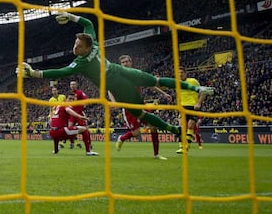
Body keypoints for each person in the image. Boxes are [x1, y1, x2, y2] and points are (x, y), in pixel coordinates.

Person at [16, 12, 214, 137]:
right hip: (121, 73)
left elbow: (61, 71)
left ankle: (186, 108)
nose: (74, 46)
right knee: (155, 85)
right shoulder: (91, 42)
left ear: (85, 48)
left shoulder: (81, 62)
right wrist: (71, 17)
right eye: (75, 43)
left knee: (145, 104)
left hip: (118, 83)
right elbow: (88, 24)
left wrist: (35, 73)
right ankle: (185, 109)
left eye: (77, 45)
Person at [110, 54, 172, 160]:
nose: (125, 64)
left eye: (127, 61)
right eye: (123, 62)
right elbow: (110, 89)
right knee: (136, 133)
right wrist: (114, 101)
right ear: (120, 64)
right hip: (128, 106)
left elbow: (150, 84)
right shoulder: (117, 75)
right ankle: (122, 138)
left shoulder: (136, 74)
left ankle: (156, 154)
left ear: (131, 62)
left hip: (140, 104)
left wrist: (163, 93)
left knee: (153, 126)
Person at [176, 67, 206, 154]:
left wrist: (199, 103)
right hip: (182, 107)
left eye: (182, 72)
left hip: (193, 107)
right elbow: (178, 96)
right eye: (178, 73)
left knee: (190, 125)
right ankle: (181, 147)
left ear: (185, 73)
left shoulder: (193, 81)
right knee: (181, 127)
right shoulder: (177, 83)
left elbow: (203, 92)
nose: (180, 74)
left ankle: (186, 147)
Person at [68, 80, 87, 149]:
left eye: (73, 84)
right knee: (69, 128)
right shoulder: (70, 94)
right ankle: (72, 143)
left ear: (76, 85)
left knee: (84, 129)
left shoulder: (80, 92)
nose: (72, 86)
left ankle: (88, 143)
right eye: (71, 84)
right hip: (72, 114)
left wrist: (83, 105)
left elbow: (86, 100)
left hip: (79, 113)